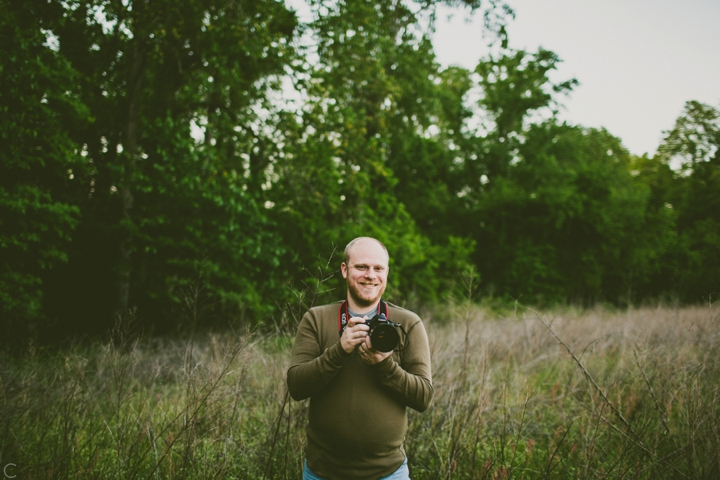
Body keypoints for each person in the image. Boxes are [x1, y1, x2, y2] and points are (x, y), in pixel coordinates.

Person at [287, 237, 433, 480]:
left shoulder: (408, 323)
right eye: (361, 267)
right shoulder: (316, 318)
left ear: (387, 273)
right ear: (345, 270)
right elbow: (297, 386)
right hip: (322, 471)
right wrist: (339, 350)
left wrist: (384, 365)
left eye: (378, 268)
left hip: (389, 473)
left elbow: (423, 397)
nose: (371, 275)